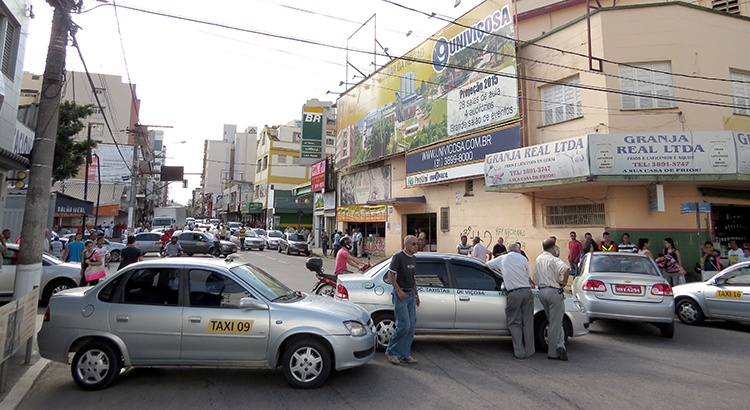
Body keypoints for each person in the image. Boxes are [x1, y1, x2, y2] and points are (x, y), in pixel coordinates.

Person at [486, 242, 535, 359]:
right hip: (527, 292)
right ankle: (530, 351)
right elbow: (527, 275)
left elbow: (486, 265)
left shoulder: (503, 258)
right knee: (528, 322)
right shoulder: (523, 259)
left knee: (514, 322)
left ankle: (520, 352)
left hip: (514, 293)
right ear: (518, 249)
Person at [385, 235, 420, 366]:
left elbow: (413, 278)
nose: (416, 246)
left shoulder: (414, 259)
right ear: (406, 245)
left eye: (417, 243)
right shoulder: (398, 257)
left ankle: (405, 354)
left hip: (410, 294)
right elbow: (391, 275)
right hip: (401, 295)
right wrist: (399, 291)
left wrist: (416, 295)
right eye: (414, 244)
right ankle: (392, 352)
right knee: (403, 325)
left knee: (411, 326)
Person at [533, 239, 570, 361]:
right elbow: (566, 269)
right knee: (555, 323)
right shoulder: (553, 259)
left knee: (553, 320)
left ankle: (560, 345)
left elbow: (535, 277)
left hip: (542, 291)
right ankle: (553, 352)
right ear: (553, 248)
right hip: (554, 291)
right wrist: (564, 282)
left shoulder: (538, 259)